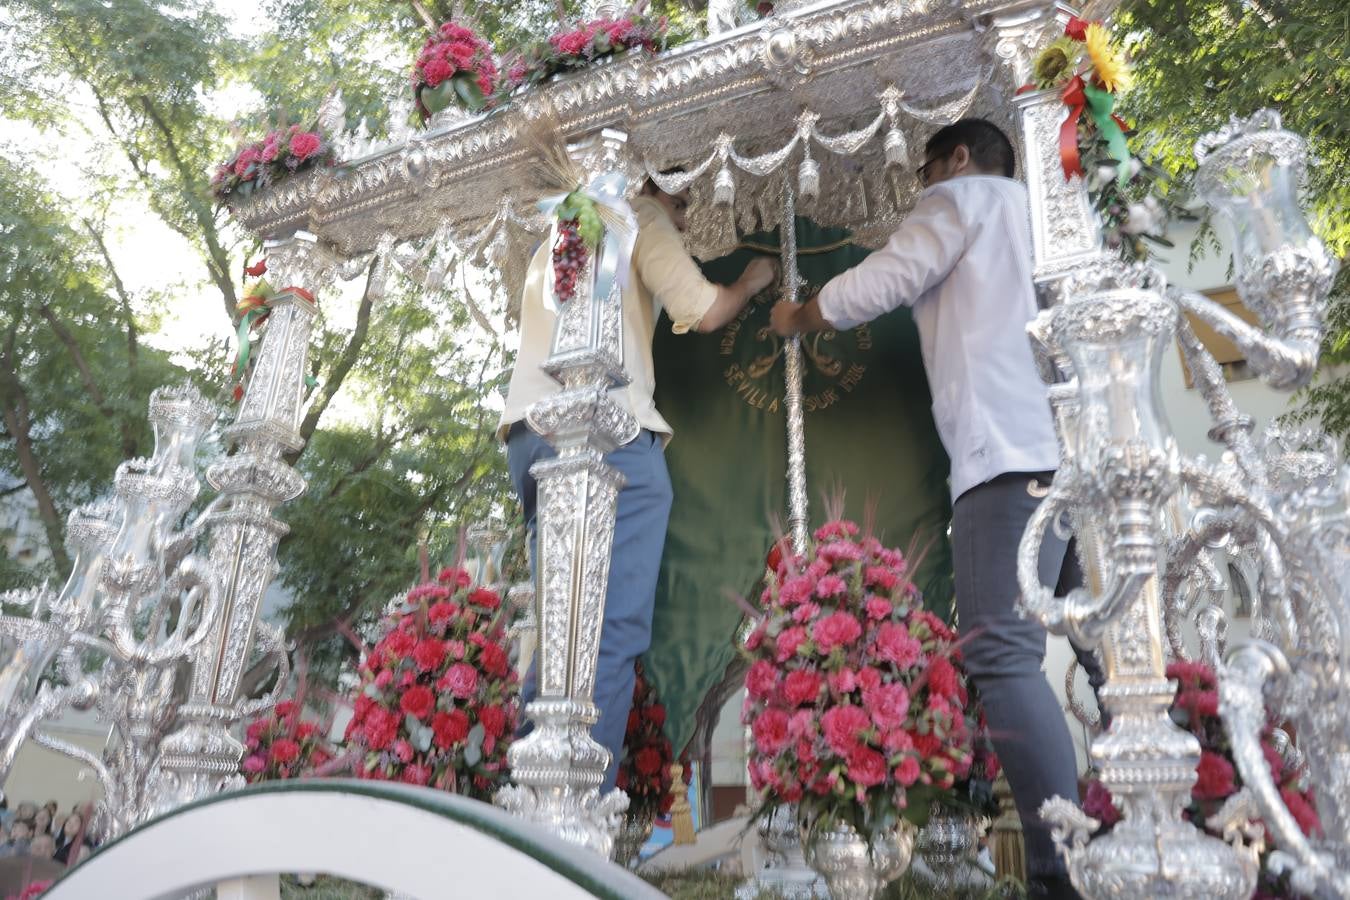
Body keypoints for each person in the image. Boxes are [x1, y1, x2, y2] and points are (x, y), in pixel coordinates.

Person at [771, 118, 1099, 900]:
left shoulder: (966, 198)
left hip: (1006, 457)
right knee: (1113, 661)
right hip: (1082, 455)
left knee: (1000, 655)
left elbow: (884, 278)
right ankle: (1177, 824)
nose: (923, 186)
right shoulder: (1055, 209)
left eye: (925, 169)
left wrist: (801, 316)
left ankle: (1063, 873)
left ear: (956, 157)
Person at [501, 174, 777, 791]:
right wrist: (750, 282)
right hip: (610, 433)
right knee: (608, 628)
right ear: (656, 181)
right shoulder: (637, 215)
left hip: (528, 430)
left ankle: (522, 800)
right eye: (683, 202)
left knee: (562, 626)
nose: (683, 220)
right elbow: (702, 310)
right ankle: (570, 811)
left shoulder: (563, 223)